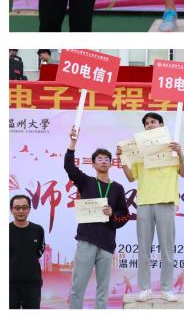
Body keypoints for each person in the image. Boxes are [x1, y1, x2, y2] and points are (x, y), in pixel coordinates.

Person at [117, 112, 184, 301]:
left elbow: (183, 173)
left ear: (161, 125)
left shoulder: (172, 147)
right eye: (146, 123)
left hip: (166, 202)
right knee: (144, 249)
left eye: (153, 122)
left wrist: (180, 153)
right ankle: (145, 288)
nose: (149, 125)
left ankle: (167, 288)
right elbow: (131, 177)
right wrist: (123, 159)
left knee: (167, 250)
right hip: (145, 204)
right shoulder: (140, 152)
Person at [65, 126, 129, 308]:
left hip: (107, 243)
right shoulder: (86, 182)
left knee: (103, 291)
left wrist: (112, 215)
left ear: (111, 164)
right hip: (86, 240)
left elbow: (124, 216)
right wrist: (73, 143)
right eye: (99, 159)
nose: (103, 161)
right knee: (78, 287)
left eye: (107, 159)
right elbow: (69, 167)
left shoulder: (117, 188)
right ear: (93, 164)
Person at [9, 194, 45, 309]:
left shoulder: (38, 230)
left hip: (33, 284)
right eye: (17, 208)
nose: (21, 211)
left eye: (24, 207)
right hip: (9, 284)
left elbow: (40, 250)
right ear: (11, 210)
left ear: (29, 209)